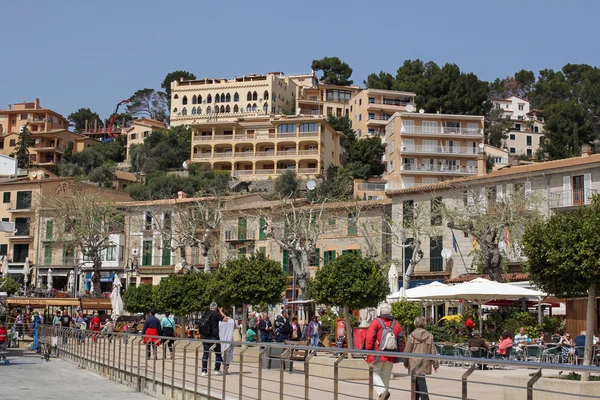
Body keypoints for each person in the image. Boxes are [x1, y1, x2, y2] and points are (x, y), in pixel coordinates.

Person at [365, 303, 404, 400]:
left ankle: (382, 392)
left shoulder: (376, 322)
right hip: (390, 355)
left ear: (380, 311)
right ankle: (383, 395)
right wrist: (398, 353)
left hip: (378, 354)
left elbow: (369, 338)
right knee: (386, 377)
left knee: (375, 374)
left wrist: (369, 351)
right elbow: (401, 339)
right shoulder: (396, 324)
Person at [404, 316, 438, 400]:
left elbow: (407, 351)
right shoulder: (429, 336)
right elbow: (433, 351)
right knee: (418, 380)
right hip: (425, 362)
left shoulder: (411, 336)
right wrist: (435, 364)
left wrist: (405, 363)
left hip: (414, 363)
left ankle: (425, 398)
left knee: (419, 381)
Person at [201, 302, 226, 377]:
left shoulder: (205, 313)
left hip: (205, 336)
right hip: (214, 337)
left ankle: (204, 371)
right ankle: (217, 370)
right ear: (216, 308)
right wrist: (221, 312)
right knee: (218, 354)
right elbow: (225, 319)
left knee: (205, 354)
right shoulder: (216, 314)